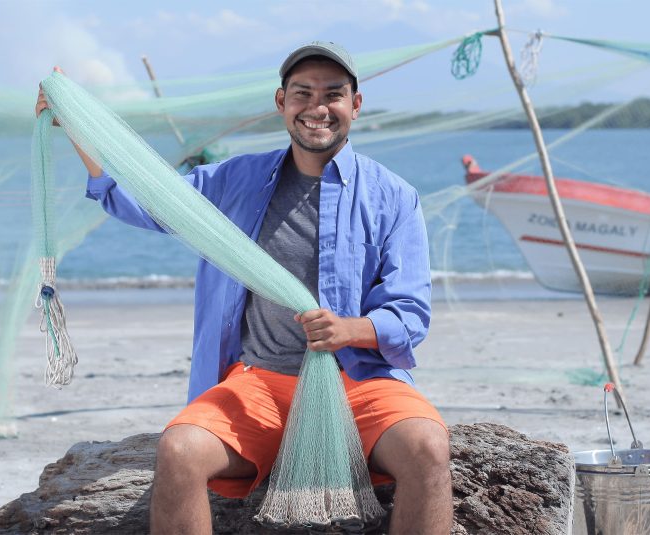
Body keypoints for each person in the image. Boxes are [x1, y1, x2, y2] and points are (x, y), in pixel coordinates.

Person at [36, 41, 451, 534]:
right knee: (180, 450)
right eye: (302, 93)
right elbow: (142, 199)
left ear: (355, 105)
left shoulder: (394, 196)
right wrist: (79, 124)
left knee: (428, 446)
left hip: (358, 382)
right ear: (281, 103)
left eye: (333, 95)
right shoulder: (237, 179)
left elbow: (409, 312)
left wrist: (350, 329)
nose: (317, 108)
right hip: (257, 384)